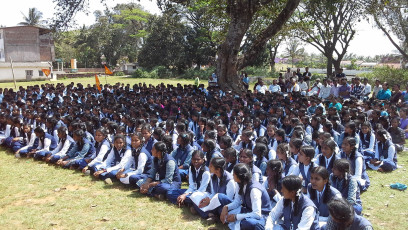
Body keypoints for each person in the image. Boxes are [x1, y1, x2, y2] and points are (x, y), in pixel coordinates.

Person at [219, 163, 272, 229]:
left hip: (262, 217)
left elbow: (257, 214)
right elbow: (237, 202)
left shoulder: (254, 189)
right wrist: (226, 207)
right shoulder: (239, 183)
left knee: (247, 223)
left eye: (234, 174)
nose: (232, 176)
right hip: (248, 211)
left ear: (239, 176)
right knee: (223, 211)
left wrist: (236, 217)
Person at [190, 157, 236, 223]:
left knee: (219, 198)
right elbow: (213, 193)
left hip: (224, 206)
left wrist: (211, 201)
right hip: (214, 202)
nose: (208, 167)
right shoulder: (212, 176)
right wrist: (207, 199)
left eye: (211, 166)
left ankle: (206, 213)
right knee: (194, 196)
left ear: (218, 169)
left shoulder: (230, 180)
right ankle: (210, 215)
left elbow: (228, 200)